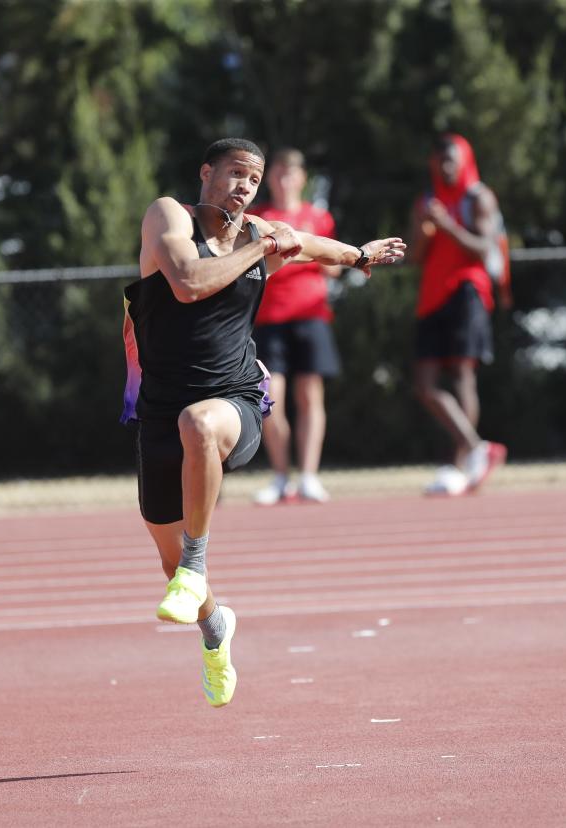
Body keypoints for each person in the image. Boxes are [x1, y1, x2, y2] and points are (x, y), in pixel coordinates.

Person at [123, 138, 405, 707]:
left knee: (200, 425)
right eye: (234, 174)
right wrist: (265, 248)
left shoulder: (260, 234)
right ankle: (215, 629)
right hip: (157, 407)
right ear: (206, 173)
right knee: (165, 553)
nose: (244, 187)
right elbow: (188, 282)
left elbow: (307, 244)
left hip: (235, 400)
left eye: (252, 180)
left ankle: (197, 565)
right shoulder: (169, 215)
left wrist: (359, 255)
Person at [409, 133, 508, 497]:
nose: (445, 166)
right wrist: (424, 227)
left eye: (451, 159)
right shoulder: (427, 200)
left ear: (464, 160)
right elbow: (416, 255)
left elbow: (485, 247)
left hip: (467, 293)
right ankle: (477, 448)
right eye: (438, 160)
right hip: (432, 296)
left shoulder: (478, 197)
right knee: (424, 384)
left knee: (463, 376)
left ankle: (463, 462)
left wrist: (448, 226)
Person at [248, 148, 342, 505]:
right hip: (269, 318)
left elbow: (333, 266)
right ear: (270, 178)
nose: (285, 179)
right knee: (271, 398)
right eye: (278, 173)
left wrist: (308, 246)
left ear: (302, 178)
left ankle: (309, 476)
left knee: (310, 396)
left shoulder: (317, 217)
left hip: (311, 315)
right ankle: (280, 476)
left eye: (292, 173)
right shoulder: (259, 217)